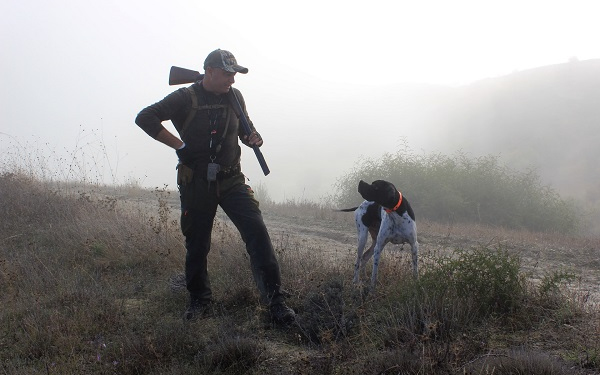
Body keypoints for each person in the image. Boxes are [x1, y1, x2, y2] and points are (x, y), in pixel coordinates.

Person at [135, 49, 295, 324]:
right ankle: (199, 301)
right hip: (196, 181)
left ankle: (275, 302)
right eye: (227, 73)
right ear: (208, 71)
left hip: (232, 179)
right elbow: (145, 117)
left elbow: (245, 129)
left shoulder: (235, 96)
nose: (232, 79)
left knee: (258, 234)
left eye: (234, 73)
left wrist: (252, 137)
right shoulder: (185, 97)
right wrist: (179, 145)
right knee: (197, 244)